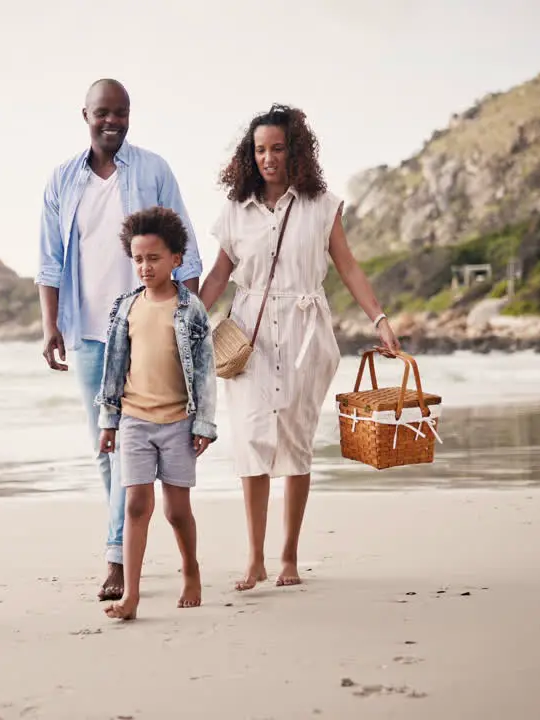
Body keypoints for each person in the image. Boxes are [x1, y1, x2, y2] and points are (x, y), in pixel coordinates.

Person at [198, 104, 401, 592]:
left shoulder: (321, 205)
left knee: (295, 441)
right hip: (247, 335)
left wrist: (379, 318)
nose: (268, 158)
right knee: (250, 441)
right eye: (260, 149)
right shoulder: (234, 210)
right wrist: (182, 320)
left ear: (296, 151)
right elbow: (221, 276)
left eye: (277, 148)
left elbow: (348, 266)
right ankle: (255, 559)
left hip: (306, 332)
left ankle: (288, 556)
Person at [36, 78, 204, 602]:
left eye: (122, 113)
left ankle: (116, 556)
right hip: (88, 332)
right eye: (103, 113)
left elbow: (187, 250)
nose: (113, 121)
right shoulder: (62, 180)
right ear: (84, 114)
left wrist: (190, 324)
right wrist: (50, 325)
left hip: (149, 329)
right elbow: (49, 262)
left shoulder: (154, 169)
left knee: (149, 446)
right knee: (106, 444)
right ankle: (125, 546)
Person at [94, 206, 217, 620]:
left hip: (178, 422)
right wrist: (108, 422)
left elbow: (204, 373)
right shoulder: (125, 308)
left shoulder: (190, 309)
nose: (145, 267)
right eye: (138, 259)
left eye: (154, 258)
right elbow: (114, 368)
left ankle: (191, 570)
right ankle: (131, 595)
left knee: (176, 511)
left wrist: (203, 424)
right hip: (133, 419)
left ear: (176, 259)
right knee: (135, 506)